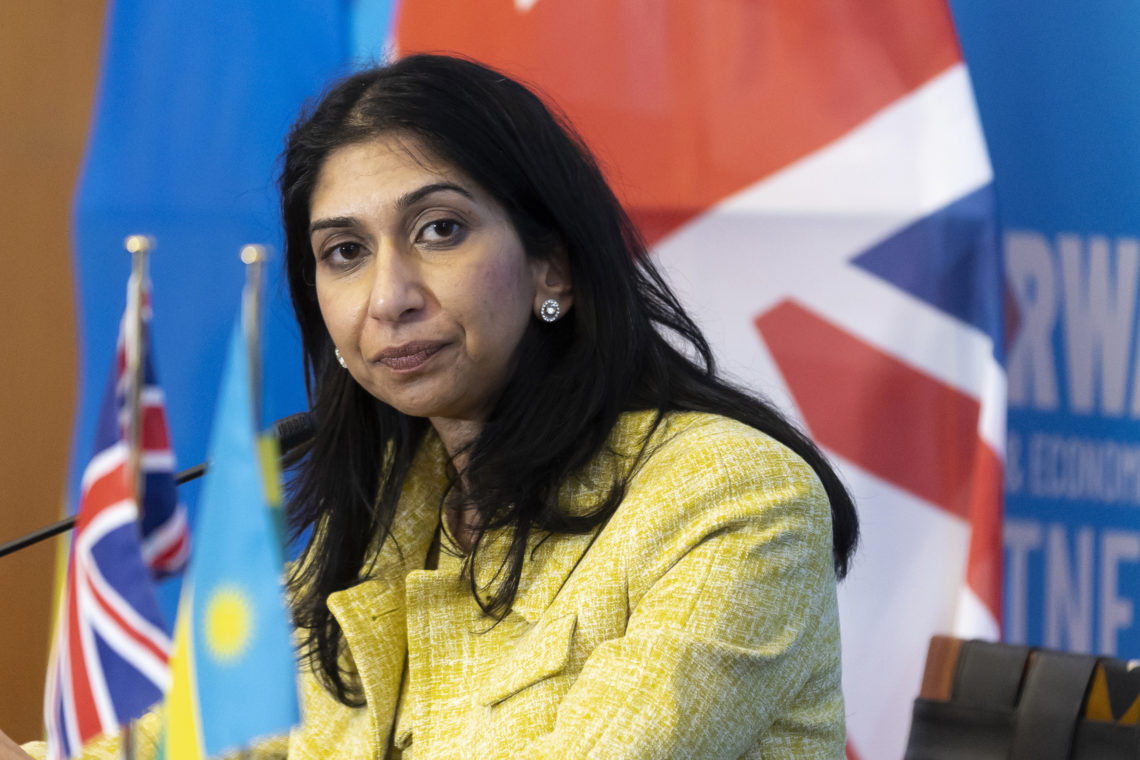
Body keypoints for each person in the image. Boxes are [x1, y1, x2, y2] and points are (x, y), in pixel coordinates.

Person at [13, 53, 857, 759]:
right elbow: (189, 744)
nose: (389, 298)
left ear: (552, 267)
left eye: (439, 230)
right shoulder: (385, 520)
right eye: (345, 251)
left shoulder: (732, 495)